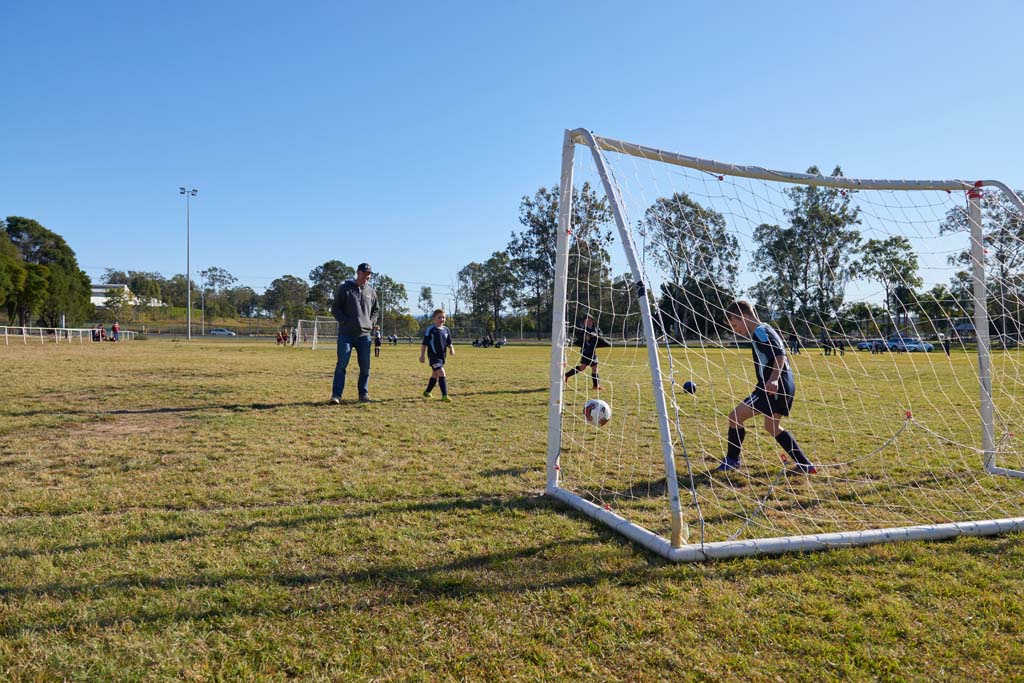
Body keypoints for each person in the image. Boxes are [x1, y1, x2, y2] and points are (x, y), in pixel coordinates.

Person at [717, 300, 815, 474]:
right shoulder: (766, 328)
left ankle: (732, 460)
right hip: (785, 385)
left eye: (734, 324)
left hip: (772, 387)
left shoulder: (760, 331)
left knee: (735, 417)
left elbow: (779, 354)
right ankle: (805, 464)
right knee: (772, 427)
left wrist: (774, 379)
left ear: (745, 317)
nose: (734, 329)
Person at [329, 262, 380, 404]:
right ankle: (336, 396)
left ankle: (363, 394)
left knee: (365, 367)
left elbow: (376, 310)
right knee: (342, 365)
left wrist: (371, 322)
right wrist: (344, 321)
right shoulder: (345, 288)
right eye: (364, 273)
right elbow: (335, 308)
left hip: (364, 336)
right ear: (358, 272)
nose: (367, 276)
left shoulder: (371, 292)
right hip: (346, 335)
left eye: (369, 274)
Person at [420, 308, 455, 401]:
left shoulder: (446, 330)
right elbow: (424, 344)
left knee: (435, 375)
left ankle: (427, 392)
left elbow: (449, 342)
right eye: (439, 317)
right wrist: (422, 355)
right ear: (434, 319)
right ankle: (444, 395)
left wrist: (452, 349)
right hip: (433, 357)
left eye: (443, 317)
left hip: (442, 357)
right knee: (442, 373)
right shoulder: (431, 330)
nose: (441, 319)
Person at [564, 314, 602, 390]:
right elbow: (579, 338)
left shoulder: (596, 328)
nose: (589, 322)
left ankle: (566, 375)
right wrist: (586, 337)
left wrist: (597, 335)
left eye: (590, 320)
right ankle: (595, 386)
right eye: (587, 320)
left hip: (593, 350)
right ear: (584, 322)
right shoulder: (583, 330)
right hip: (586, 351)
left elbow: (601, 334)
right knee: (591, 367)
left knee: (586, 367)